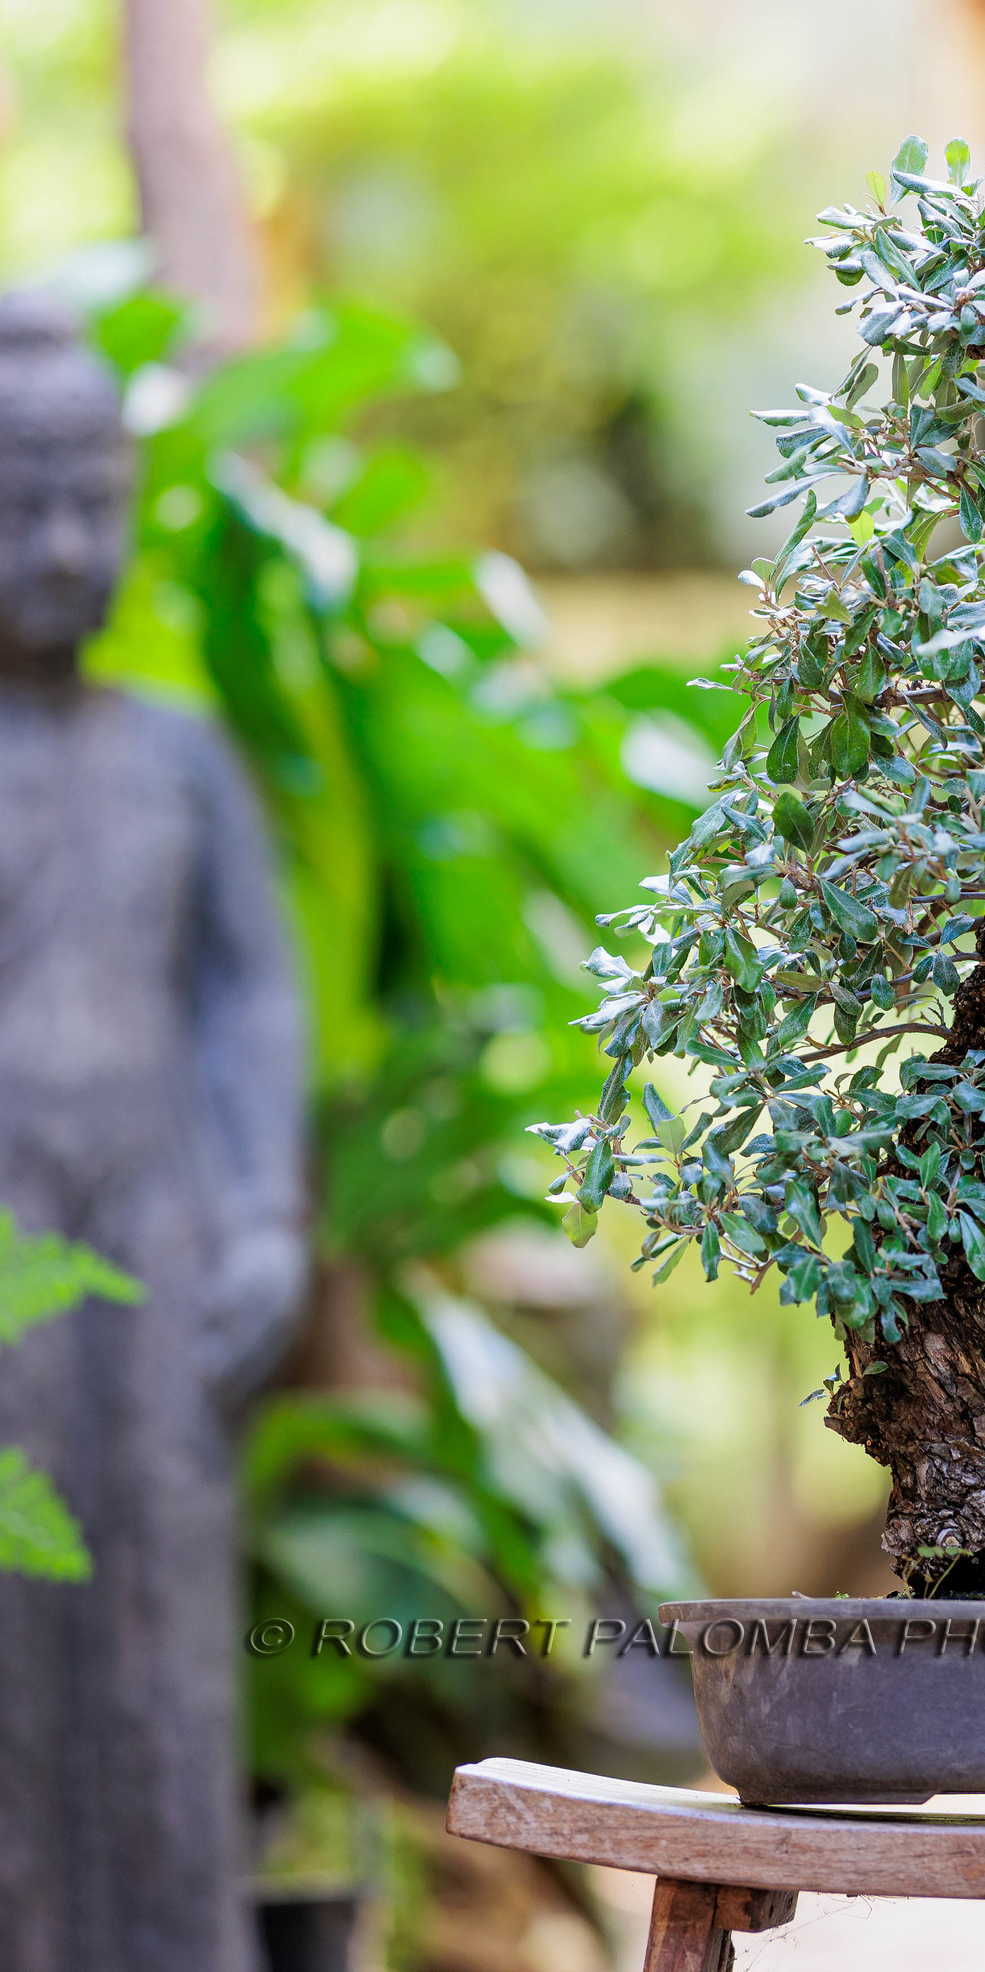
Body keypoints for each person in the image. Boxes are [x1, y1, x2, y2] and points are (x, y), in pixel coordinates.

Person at [0, 294, 307, 1972]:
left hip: (161, 1239)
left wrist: (264, 1208)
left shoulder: (178, 757)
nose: (59, 546)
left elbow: (250, 994)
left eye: (88, 506)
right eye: (17, 507)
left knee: (161, 1642)